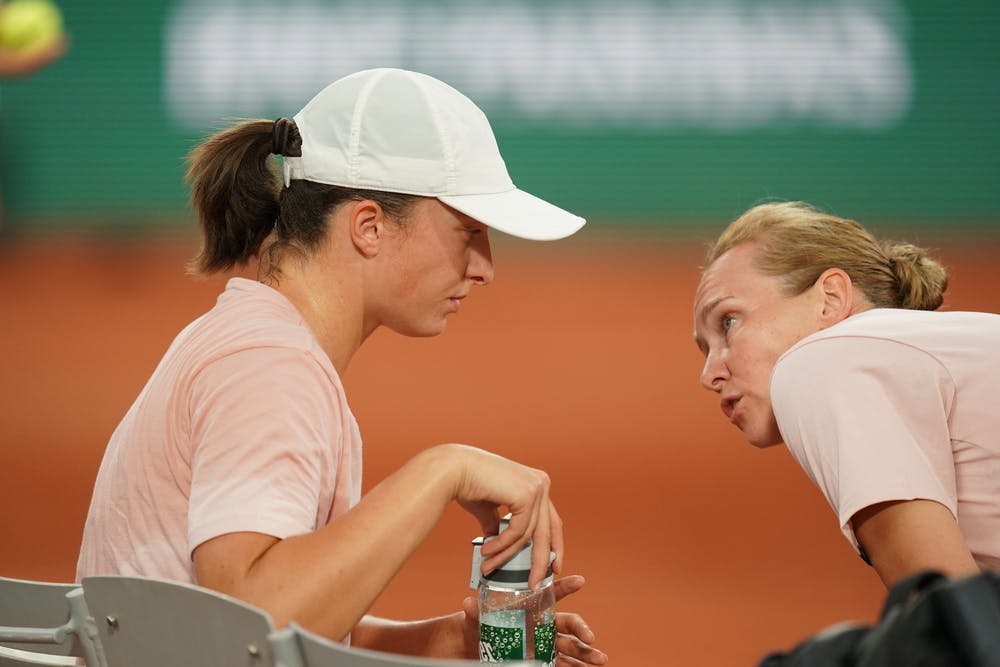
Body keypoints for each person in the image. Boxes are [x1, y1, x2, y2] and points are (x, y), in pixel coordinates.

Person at [77, 67, 607, 665]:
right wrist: (445, 470)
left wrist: (452, 644)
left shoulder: (257, 342)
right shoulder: (270, 365)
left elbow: (287, 621)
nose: (485, 266)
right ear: (369, 226)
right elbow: (246, 628)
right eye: (470, 232)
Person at [692, 200, 1000, 589]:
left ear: (831, 298)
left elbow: (947, 611)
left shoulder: (823, 358)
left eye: (729, 321)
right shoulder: (910, 352)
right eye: (704, 349)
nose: (709, 375)